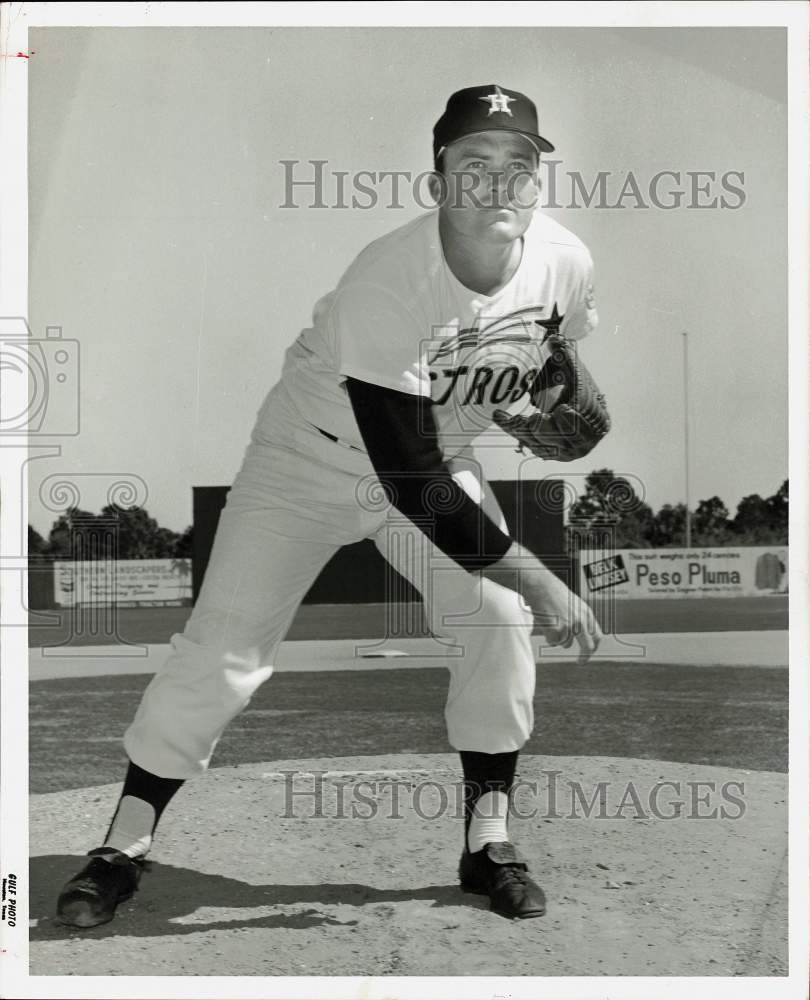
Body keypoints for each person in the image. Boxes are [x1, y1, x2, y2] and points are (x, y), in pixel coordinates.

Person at [56, 83, 603, 927]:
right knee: (222, 652)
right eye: (474, 165)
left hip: (435, 456)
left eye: (519, 167)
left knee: (494, 619)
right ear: (437, 183)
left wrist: (553, 374)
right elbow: (411, 480)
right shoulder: (388, 282)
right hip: (307, 463)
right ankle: (121, 848)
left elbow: (552, 338)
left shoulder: (566, 260)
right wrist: (539, 575)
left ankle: (488, 840)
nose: (498, 185)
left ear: (539, 183)